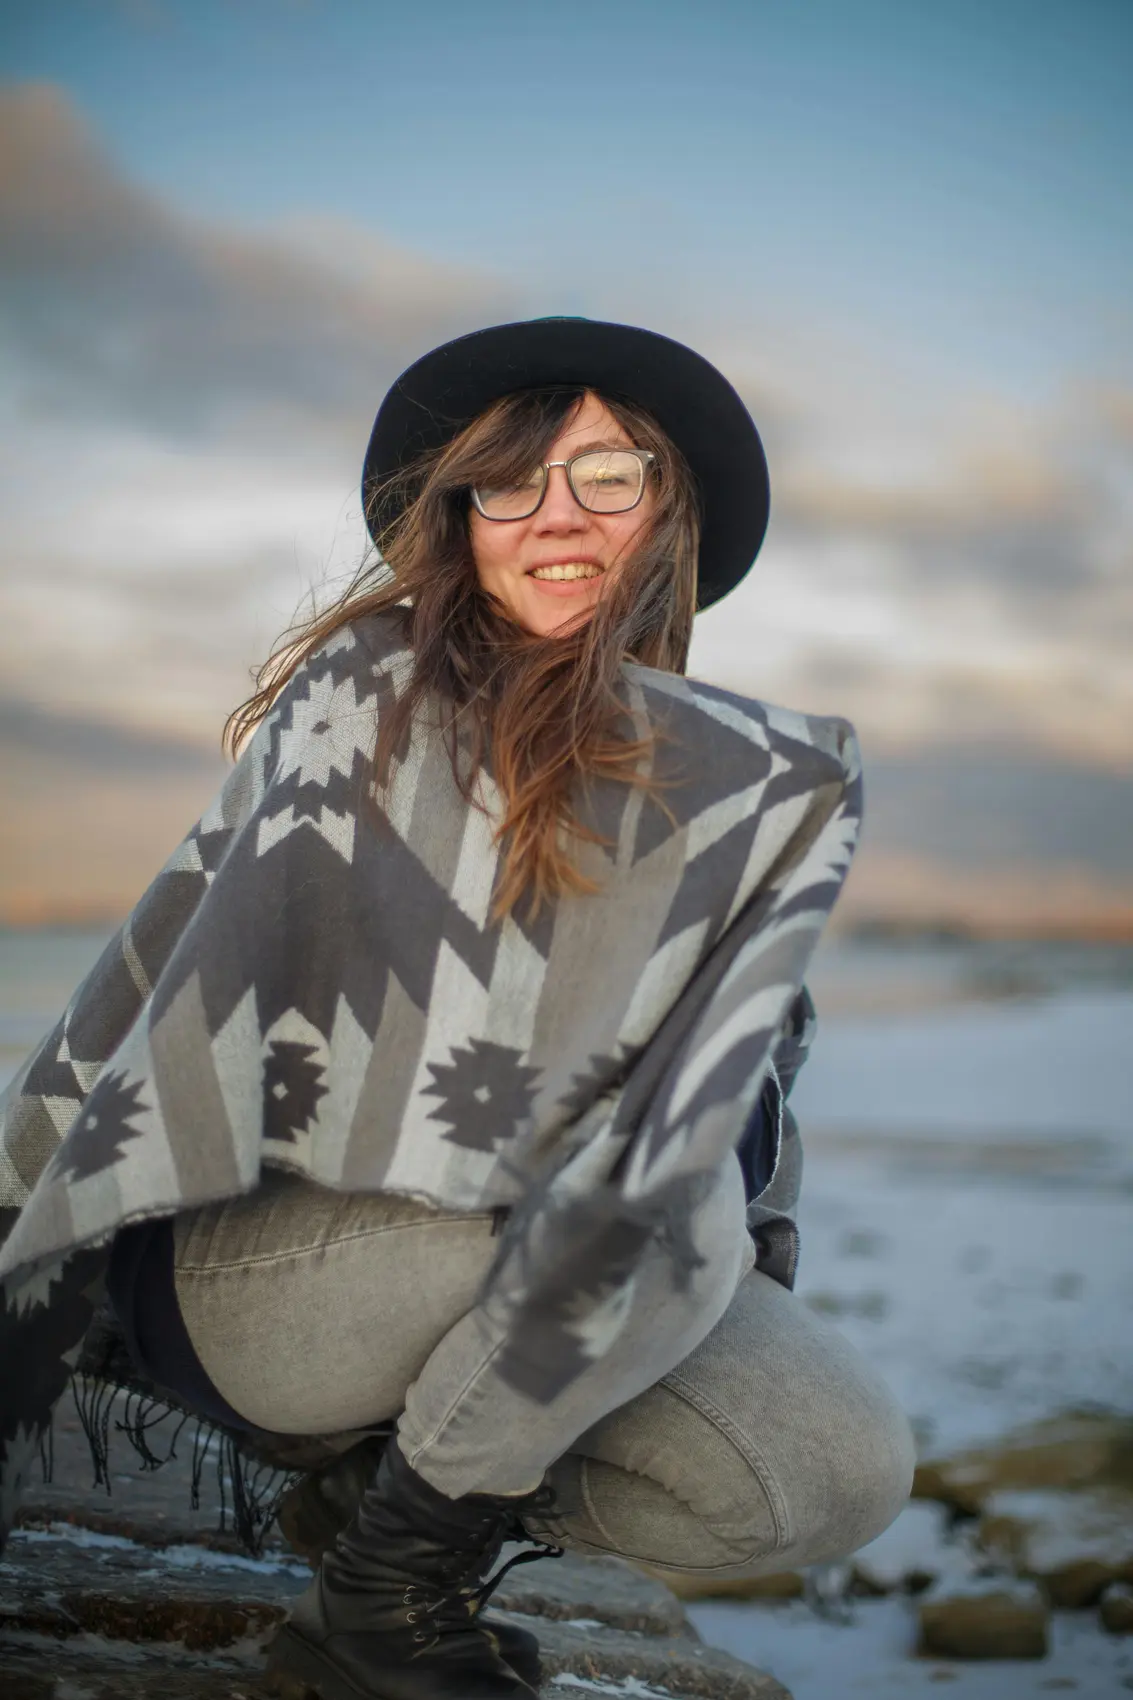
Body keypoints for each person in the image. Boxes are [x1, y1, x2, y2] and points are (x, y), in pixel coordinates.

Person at [0, 318, 914, 1700]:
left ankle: (395, 1505)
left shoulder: (725, 794)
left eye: (609, 475)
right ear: (462, 514)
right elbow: (170, 996)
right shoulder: (367, 701)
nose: (558, 515)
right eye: (512, 479)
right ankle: (387, 1602)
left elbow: (740, 1091)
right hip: (278, 1263)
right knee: (647, 1181)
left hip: (580, 1261)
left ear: (667, 513)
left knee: (832, 1463)